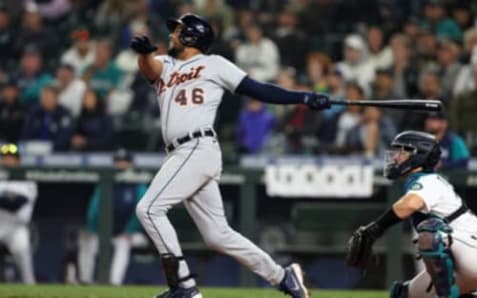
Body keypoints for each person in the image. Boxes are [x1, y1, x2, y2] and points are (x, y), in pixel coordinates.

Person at [130, 13, 330, 298]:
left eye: (177, 31)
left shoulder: (214, 64)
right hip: (183, 153)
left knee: (148, 209)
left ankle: (184, 287)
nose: (172, 35)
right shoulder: (166, 64)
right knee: (218, 235)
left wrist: (304, 97)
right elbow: (149, 70)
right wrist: (144, 54)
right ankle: (284, 277)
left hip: (196, 148)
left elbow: (258, 89)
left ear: (191, 36)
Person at [346, 131, 477, 298]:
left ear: (419, 156)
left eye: (402, 152)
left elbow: (409, 204)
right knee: (402, 294)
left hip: (473, 253)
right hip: (462, 260)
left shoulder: (429, 180)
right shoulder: (424, 180)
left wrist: (374, 230)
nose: (395, 158)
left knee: (429, 233)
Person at [78, 149, 147, 285]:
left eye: (124, 162)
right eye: (118, 161)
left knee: (123, 244)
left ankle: (114, 283)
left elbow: (141, 212)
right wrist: (92, 229)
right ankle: (85, 280)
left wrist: (128, 231)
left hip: (132, 234)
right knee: (89, 241)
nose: (121, 165)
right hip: (104, 232)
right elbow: (94, 209)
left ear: (131, 164)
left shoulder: (139, 184)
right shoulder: (107, 181)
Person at [0, 143, 37, 284]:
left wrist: (5, 198)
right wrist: (8, 197)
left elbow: (17, 203)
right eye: (5, 157)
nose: (8, 161)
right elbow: (10, 200)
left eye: (12, 158)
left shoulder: (26, 178)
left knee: (23, 253)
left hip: (17, 227)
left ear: (18, 161)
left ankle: (30, 286)